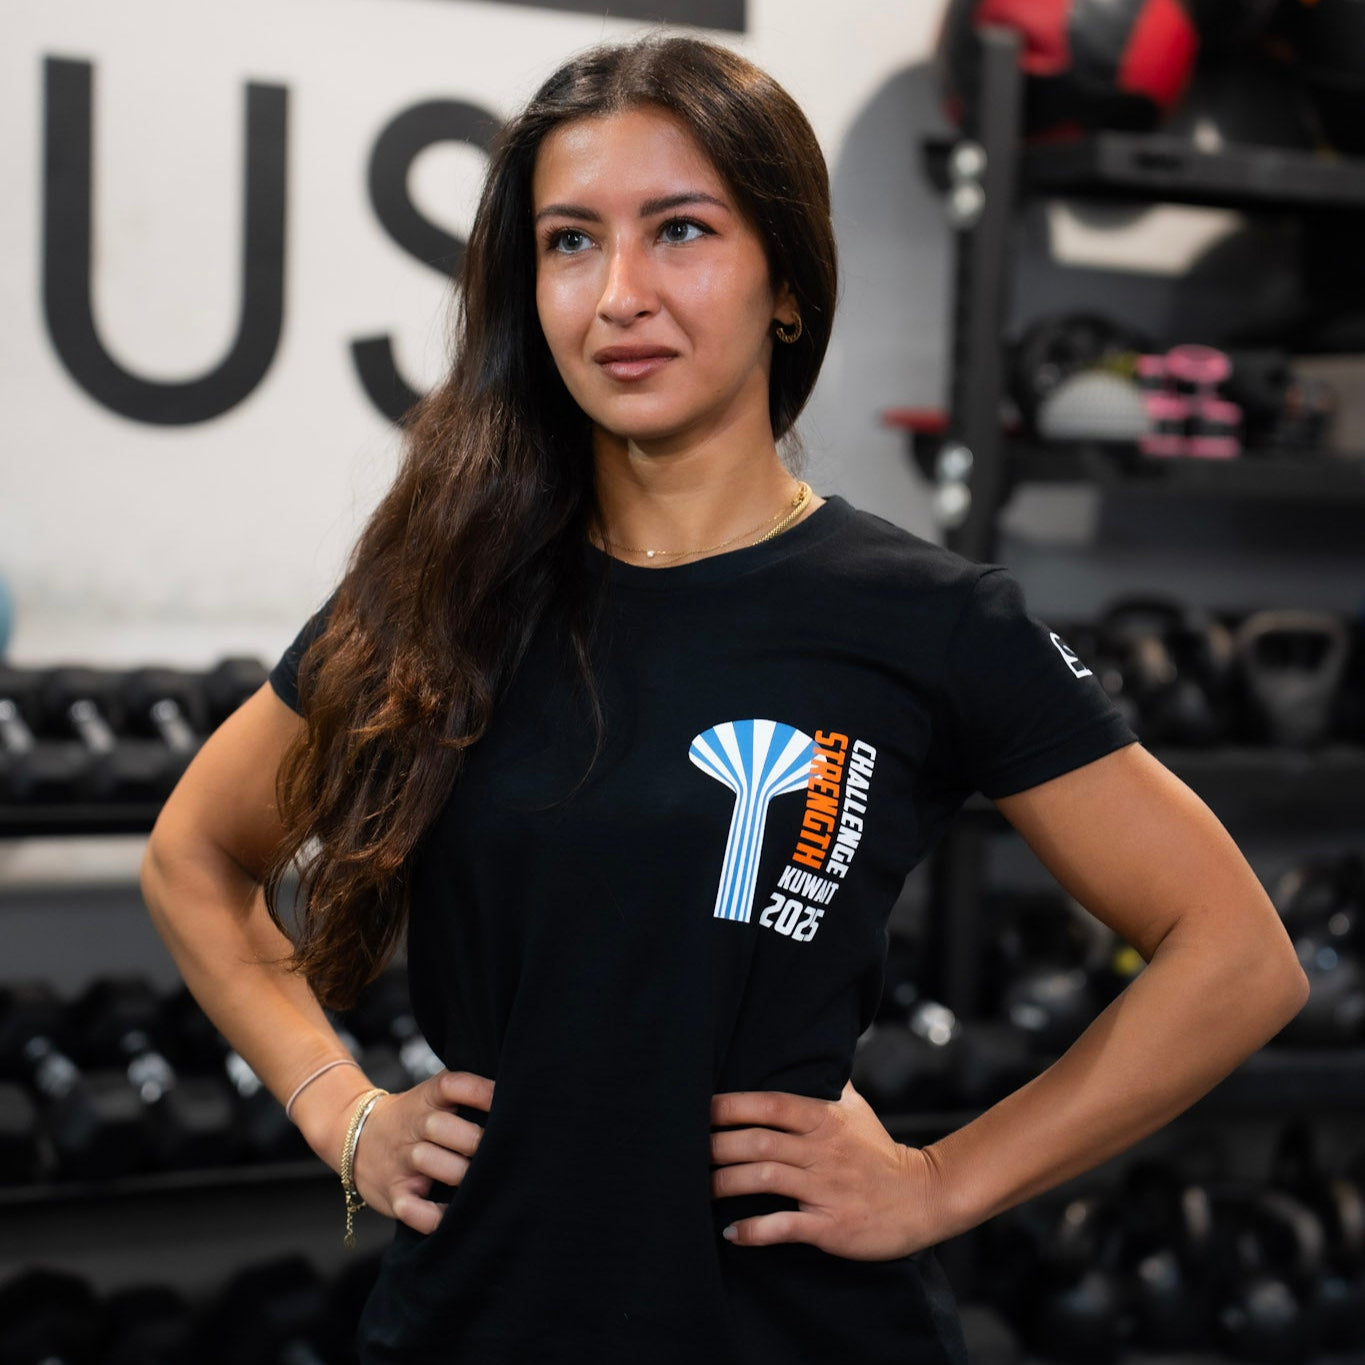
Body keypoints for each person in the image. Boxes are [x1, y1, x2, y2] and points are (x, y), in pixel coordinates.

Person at [140, 31, 1309, 1365]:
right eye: (570, 242)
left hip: (790, 1328)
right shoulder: (441, 588)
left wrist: (943, 1181)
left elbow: (1234, 956)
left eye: (680, 230)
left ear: (787, 287)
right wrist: (337, 1107)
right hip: (472, 1321)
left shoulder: (922, 616)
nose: (617, 293)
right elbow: (195, 854)